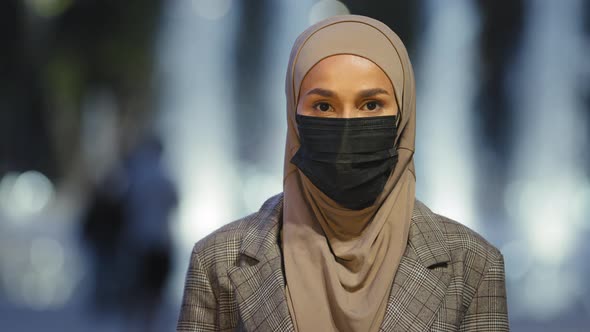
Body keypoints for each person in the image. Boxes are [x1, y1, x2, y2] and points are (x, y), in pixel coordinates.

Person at [177, 15, 508, 332]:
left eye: (370, 105)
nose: (347, 125)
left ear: (403, 116)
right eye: (323, 106)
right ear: (294, 117)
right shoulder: (218, 260)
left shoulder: (473, 264)